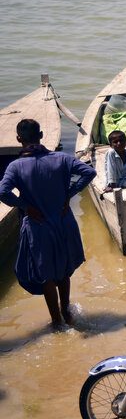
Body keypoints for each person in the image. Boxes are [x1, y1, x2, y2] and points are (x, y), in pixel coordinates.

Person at [0, 118, 96, 330]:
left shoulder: (15, 167)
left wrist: (25, 206)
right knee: (63, 270)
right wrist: (68, 195)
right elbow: (89, 172)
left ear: (18, 139)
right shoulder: (61, 158)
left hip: (38, 226)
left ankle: (56, 321)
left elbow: (2, 192)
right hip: (63, 221)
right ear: (41, 135)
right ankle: (67, 312)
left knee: (46, 276)